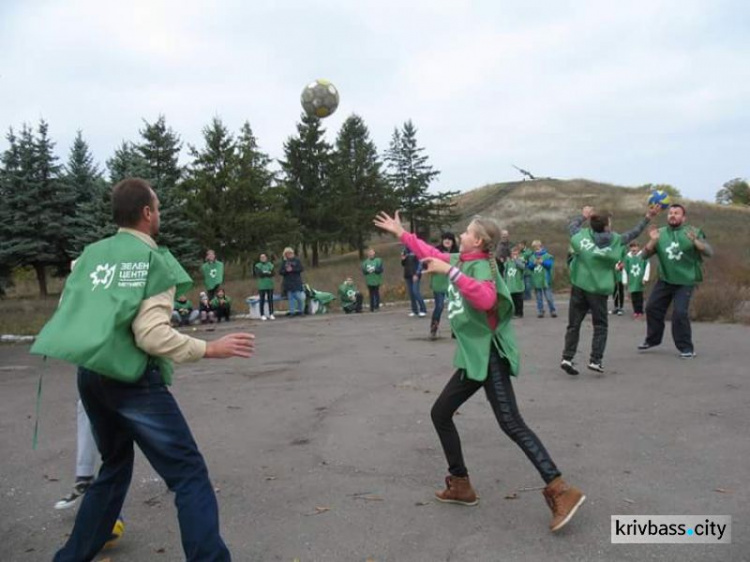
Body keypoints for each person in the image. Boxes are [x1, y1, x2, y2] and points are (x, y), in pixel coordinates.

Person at [31, 178, 255, 562]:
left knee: (115, 467)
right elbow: (151, 336)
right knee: (188, 475)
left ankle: (69, 558)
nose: (160, 214)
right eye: (158, 207)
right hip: (133, 383)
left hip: (91, 376)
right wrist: (211, 349)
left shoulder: (90, 255)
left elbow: (75, 311)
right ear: (147, 213)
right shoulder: (154, 261)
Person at [373, 210, 586, 533]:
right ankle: (460, 485)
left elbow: (487, 299)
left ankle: (560, 489)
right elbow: (431, 253)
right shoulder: (462, 259)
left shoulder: (483, 267)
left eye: (467, 232)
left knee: (511, 423)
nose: (461, 235)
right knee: (441, 413)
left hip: (489, 357)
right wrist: (402, 233)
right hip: (473, 358)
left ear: (480, 240)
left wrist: (450, 271)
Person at [561, 205, 659, 375]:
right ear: (607, 226)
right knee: (600, 325)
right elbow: (634, 232)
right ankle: (595, 360)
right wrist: (647, 217)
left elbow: (572, 227)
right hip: (599, 289)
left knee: (574, 324)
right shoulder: (616, 240)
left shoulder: (582, 237)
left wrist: (583, 216)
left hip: (580, 285)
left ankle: (567, 357)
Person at [638, 203, 713, 358]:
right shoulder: (660, 233)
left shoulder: (693, 232)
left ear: (683, 217)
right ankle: (652, 340)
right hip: (665, 279)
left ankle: (686, 348)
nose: (672, 215)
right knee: (651, 307)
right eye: (670, 213)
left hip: (685, 280)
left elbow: (709, 252)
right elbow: (643, 256)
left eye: (676, 213)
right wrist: (652, 241)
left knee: (679, 313)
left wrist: (695, 242)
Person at [430, 232, 458, 339]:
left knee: (454, 307)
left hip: (453, 283)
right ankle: (434, 328)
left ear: (453, 241)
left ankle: (455, 330)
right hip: (439, 282)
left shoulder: (457, 252)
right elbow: (427, 261)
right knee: (439, 306)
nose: (447, 241)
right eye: (445, 239)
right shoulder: (436, 251)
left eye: (449, 239)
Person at [527, 240, 557, 318]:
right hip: (536, 279)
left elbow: (550, 265)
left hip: (545, 279)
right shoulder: (532, 256)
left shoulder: (547, 255)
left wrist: (542, 262)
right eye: (534, 247)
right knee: (539, 298)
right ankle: (540, 311)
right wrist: (534, 263)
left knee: (549, 297)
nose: (536, 248)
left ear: (540, 246)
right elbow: (529, 266)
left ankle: (552, 310)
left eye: (537, 247)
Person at [623, 241, 650, 318]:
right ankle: (635, 311)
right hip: (632, 280)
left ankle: (640, 310)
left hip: (640, 280)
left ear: (638, 248)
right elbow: (625, 269)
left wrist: (645, 278)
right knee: (634, 296)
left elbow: (647, 266)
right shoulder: (627, 258)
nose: (633, 251)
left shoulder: (643, 256)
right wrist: (625, 280)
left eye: (635, 249)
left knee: (640, 296)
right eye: (632, 249)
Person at [280, 247, 306, 317]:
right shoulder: (284, 262)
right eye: (287, 254)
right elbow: (280, 271)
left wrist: (292, 269)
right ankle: (292, 312)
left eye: (290, 253)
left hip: (296, 281)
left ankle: (301, 311)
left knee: (299, 297)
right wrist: (286, 271)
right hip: (288, 282)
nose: (289, 255)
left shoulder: (297, 260)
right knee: (291, 298)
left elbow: (301, 268)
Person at [401, 246, 427, 317]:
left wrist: (417, 274)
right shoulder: (404, 250)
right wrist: (403, 259)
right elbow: (403, 264)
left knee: (416, 291)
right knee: (411, 293)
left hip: (415, 274)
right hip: (407, 274)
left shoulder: (416, 249)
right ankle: (414, 310)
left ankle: (423, 309)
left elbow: (420, 263)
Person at [504, 246, 526, 318]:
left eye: (516, 253)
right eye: (513, 253)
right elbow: (505, 272)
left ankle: (519, 313)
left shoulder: (521, 260)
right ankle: (513, 313)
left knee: (519, 300)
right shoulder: (508, 262)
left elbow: (522, 267)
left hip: (518, 284)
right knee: (512, 300)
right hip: (510, 284)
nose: (514, 255)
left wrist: (516, 260)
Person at [361, 248, 384, 312]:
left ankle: (377, 306)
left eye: (372, 252)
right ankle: (371, 307)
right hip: (369, 280)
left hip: (376, 279)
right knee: (371, 293)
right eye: (369, 253)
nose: (371, 254)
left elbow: (381, 270)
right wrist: (368, 271)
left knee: (376, 293)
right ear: (368, 254)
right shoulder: (365, 262)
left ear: (374, 253)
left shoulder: (378, 260)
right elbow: (364, 271)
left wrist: (375, 270)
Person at [254, 253, 276, 320]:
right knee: (262, 300)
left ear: (266, 258)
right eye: (261, 257)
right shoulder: (257, 265)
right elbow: (259, 274)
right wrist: (267, 272)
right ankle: (262, 314)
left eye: (264, 257)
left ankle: (271, 313)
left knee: (270, 300)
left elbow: (273, 273)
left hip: (270, 285)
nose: (263, 258)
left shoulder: (270, 265)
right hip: (262, 285)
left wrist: (265, 273)